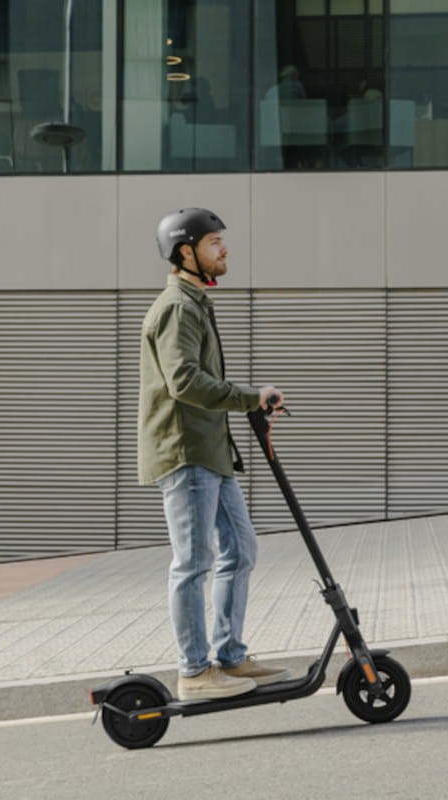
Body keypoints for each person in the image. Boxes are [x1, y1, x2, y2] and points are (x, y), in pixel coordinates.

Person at [139, 207, 292, 701]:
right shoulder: (177, 307)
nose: (224, 250)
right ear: (187, 252)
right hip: (186, 452)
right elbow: (183, 382)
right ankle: (193, 671)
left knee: (240, 549)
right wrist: (250, 396)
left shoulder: (196, 302)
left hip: (211, 450)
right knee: (192, 562)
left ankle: (229, 657)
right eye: (214, 243)